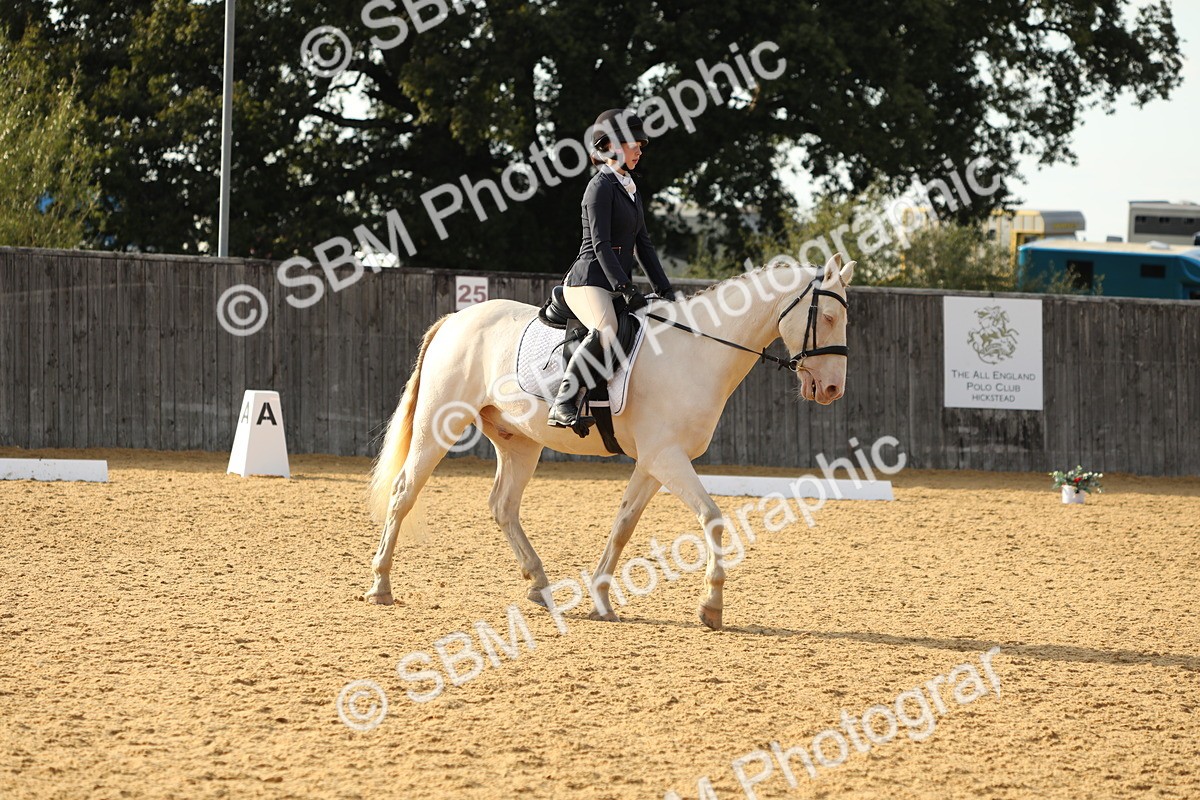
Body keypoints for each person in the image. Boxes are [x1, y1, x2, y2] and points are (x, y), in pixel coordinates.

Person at [547, 108, 678, 431]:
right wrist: (624, 286)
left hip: (614, 283)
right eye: (635, 143)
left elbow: (643, 246)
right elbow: (601, 244)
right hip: (589, 281)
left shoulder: (630, 188)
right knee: (606, 328)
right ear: (614, 145)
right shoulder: (600, 187)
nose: (640, 149)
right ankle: (562, 401)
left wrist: (666, 290)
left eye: (641, 145)